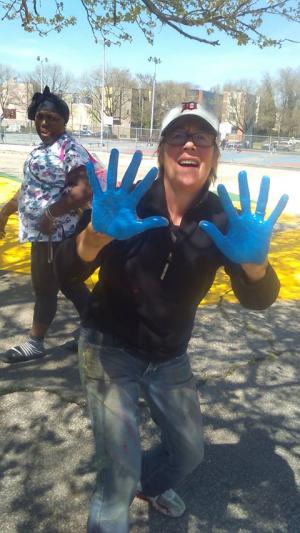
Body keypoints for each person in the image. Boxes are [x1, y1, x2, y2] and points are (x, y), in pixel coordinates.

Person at [54, 101, 288, 532]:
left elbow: (259, 300)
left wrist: (256, 266)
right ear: (162, 150)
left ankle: (152, 482)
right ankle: (125, 486)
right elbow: (66, 271)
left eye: (202, 137)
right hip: (109, 348)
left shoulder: (221, 217)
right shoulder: (126, 202)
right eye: (178, 135)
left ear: (215, 155)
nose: (190, 144)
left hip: (169, 355)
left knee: (189, 452)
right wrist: (94, 235)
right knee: (116, 476)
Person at [0, 86, 105, 364]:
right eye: (41, 117)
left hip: (57, 235)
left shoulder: (69, 149)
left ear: (64, 121)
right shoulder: (41, 149)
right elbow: (29, 189)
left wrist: (51, 214)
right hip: (42, 233)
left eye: (52, 118)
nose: (45, 123)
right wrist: (5, 212)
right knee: (70, 284)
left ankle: (35, 343)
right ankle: (93, 329)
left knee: (44, 288)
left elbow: (83, 191)